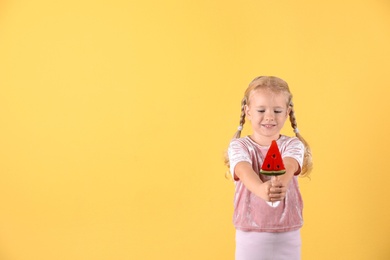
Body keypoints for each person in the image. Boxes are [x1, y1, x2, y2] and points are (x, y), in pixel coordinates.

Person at [226, 76, 313, 260]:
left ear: (287, 112)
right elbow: (243, 169)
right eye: (261, 110)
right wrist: (260, 188)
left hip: (288, 233)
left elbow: (289, 164)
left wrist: (280, 181)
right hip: (249, 233)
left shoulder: (293, 145)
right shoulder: (238, 146)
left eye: (277, 110)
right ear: (248, 112)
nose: (269, 116)